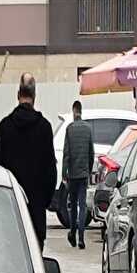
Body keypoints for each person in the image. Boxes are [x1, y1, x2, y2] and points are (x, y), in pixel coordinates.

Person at [0, 73, 57, 250]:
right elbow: (51, 172)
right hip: (36, 211)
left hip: (10, 213)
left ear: (17, 95)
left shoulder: (4, 127)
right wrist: (43, 201)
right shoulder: (44, 128)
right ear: (34, 96)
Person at [62, 100, 95, 249]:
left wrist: (64, 173)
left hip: (72, 174)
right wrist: (88, 169)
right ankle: (81, 238)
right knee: (82, 206)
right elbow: (91, 153)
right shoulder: (88, 128)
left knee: (72, 205)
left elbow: (66, 153)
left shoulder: (69, 129)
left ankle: (72, 232)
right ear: (81, 111)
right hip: (83, 174)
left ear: (74, 111)